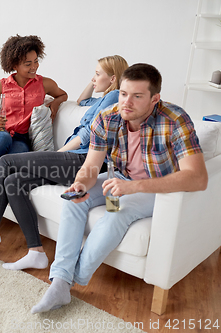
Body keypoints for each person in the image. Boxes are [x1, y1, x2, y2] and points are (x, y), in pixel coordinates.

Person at [31, 63, 208, 313]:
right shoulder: (108, 116)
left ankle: (67, 283)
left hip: (157, 190)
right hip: (117, 179)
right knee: (72, 199)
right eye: (124, 94)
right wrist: (81, 183)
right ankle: (59, 282)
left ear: (154, 99)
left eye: (137, 96)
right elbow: (92, 165)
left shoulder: (174, 120)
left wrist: (134, 187)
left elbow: (198, 178)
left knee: (117, 214)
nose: (127, 102)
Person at [0, 56, 129, 271]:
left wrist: (59, 154)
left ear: (114, 78)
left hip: (81, 160)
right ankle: (36, 253)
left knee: (6, 162)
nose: (94, 77)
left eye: (98, 73)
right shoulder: (102, 99)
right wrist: (94, 81)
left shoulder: (115, 95)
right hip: (75, 161)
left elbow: (89, 134)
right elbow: (80, 101)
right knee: (14, 182)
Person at [0, 35, 68, 231]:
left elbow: (63, 94)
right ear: (14, 64)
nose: (34, 66)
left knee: (18, 159)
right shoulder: (0, 86)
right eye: (28, 63)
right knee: (2, 139)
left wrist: (56, 102)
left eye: (36, 61)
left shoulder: (44, 84)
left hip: (20, 138)